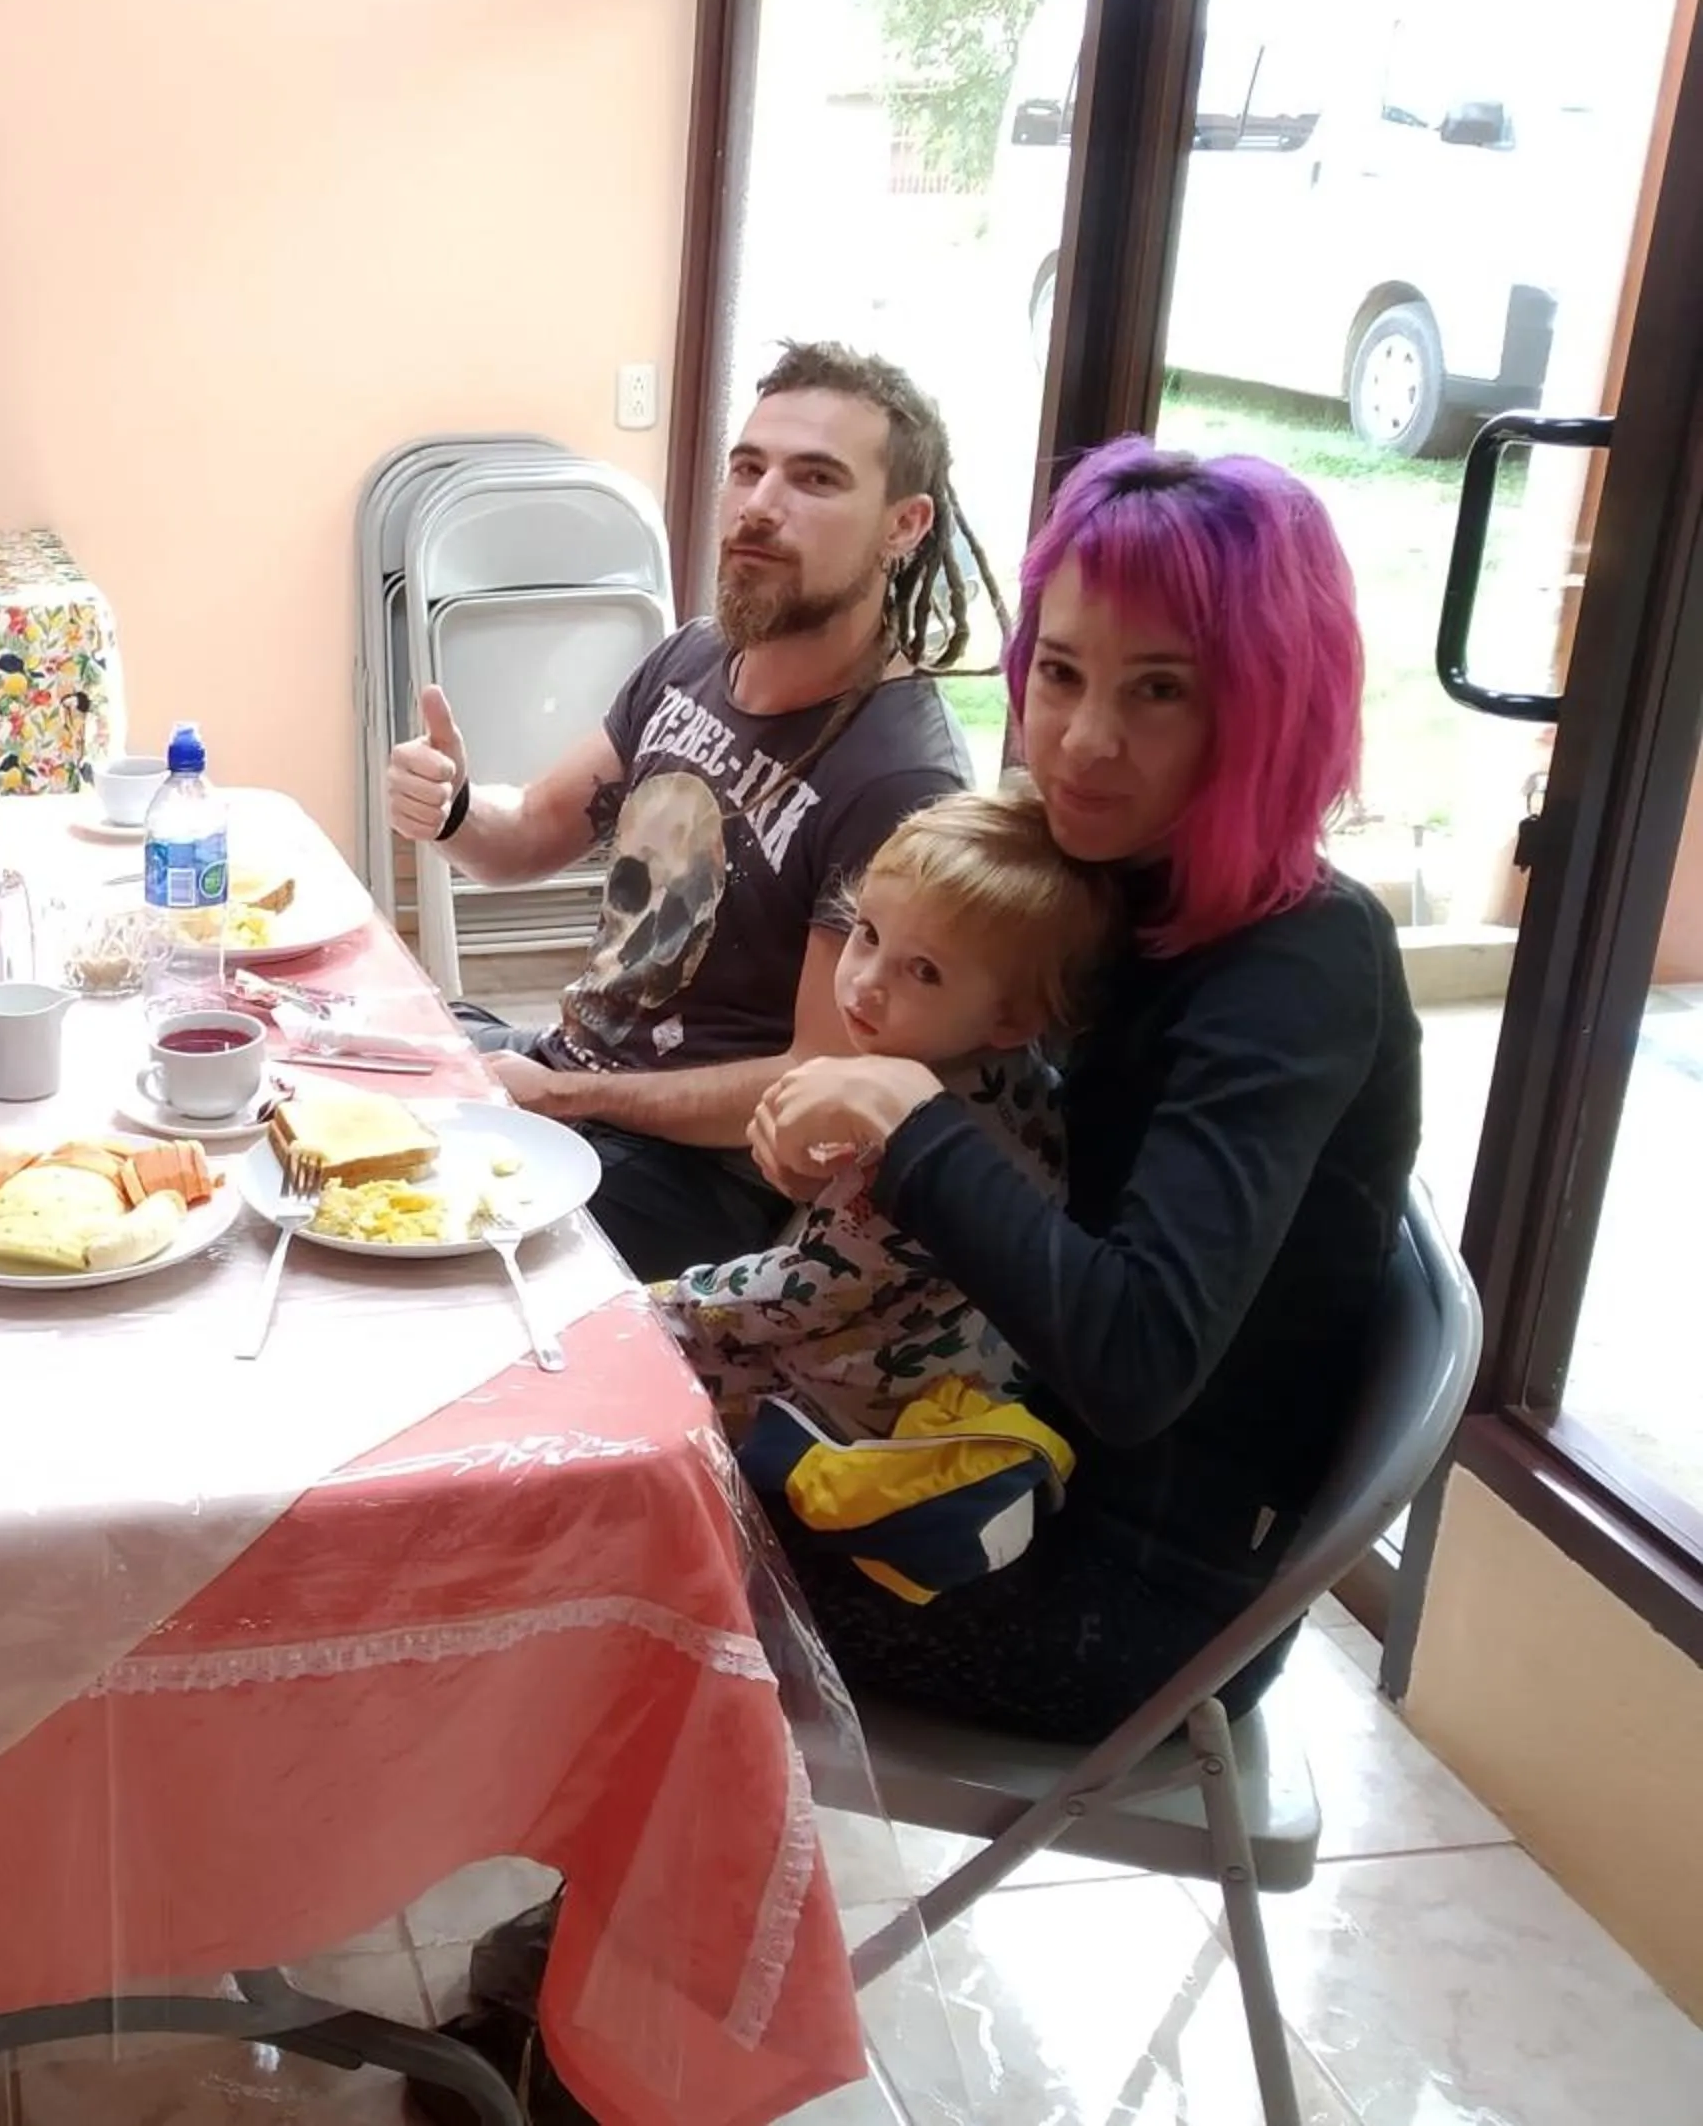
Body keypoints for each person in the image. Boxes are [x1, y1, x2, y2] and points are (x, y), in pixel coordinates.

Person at [746, 436, 1419, 1745]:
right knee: (617, 1434)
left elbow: (1133, 1359)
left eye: (1159, 689)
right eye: (1058, 672)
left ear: (1266, 706)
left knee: (624, 1518)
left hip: (1132, 1597)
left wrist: (906, 1119)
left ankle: (631, 1940)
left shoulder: (1296, 962)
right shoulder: (1105, 876)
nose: (1086, 741)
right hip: (978, 1446)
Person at [384, 342, 988, 1280]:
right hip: (566, 1074)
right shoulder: (692, 660)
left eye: (814, 479)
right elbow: (528, 836)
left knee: (399, 1236)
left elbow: (812, 1082)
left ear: (903, 525)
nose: (759, 503)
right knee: (322, 1077)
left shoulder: (898, 780)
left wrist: (569, 1099)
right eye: (747, 468)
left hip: (692, 1178)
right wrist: (457, 808)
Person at [661, 780, 1119, 1438]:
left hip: (858, 1407)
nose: (866, 983)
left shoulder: (921, 1139)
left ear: (1012, 1017)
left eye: (924, 971)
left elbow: (797, 1295)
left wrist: (663, 1305)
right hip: (958, 1360)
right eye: (868, 932)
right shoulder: (1016, 1079)